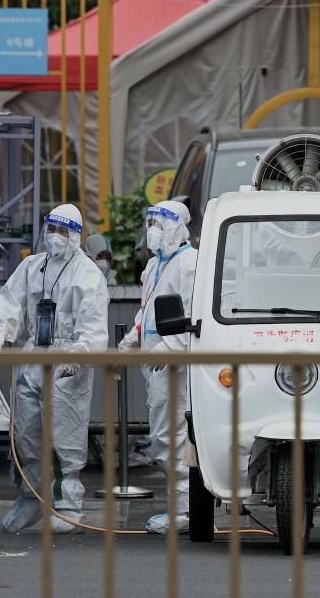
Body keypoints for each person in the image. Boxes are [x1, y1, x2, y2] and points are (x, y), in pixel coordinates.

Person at [0, 204, 110, 534]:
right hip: (32, 357)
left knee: (64, 433)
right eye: (51, 228)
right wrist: (1, 331)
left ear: (76, 236)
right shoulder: (32, 267)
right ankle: (31, 497)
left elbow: (94, 328)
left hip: (67, 362)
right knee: (26, 432)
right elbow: (11, 301)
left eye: (62, 231)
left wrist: (78, 356)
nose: (54, 237)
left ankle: (69, 505)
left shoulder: (87, 275)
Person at [118, 200, 197, 534]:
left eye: (158, 224)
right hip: (156, 364)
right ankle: (181, 507)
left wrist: (166, 349)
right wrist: (133, 336)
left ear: (178, 228)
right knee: (164, 438)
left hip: (175, 365)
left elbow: (192, 319)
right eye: (149, 223)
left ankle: (187, 511)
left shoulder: (189, 264)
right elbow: (147, 310)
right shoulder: (154, 267)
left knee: (174, 438)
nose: (151, 230)